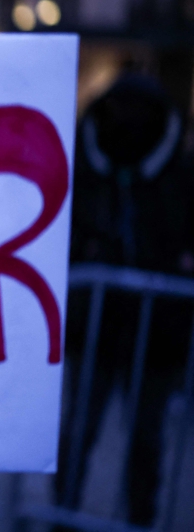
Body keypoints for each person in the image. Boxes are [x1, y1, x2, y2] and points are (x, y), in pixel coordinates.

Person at [56, 73, 194, 526]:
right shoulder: (86, 166)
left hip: (155, 339)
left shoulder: (177, 176)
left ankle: (139, 517)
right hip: (93, 331)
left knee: (145, 440)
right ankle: (62, 513)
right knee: (79, 430)